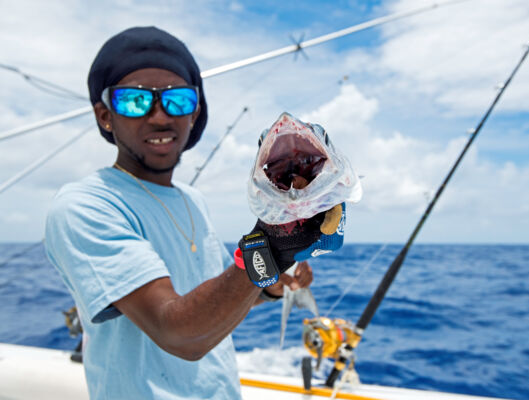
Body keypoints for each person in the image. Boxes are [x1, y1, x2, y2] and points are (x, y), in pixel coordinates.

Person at [45, 26, 344, 400]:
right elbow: (180, 335)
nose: (158, 117)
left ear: (195, 112)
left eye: (178, 101)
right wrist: (267, 249)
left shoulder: (192, 200)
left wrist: (269, 286)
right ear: (106, 116)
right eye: (134, 101)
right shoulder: (85, 205)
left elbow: (217, 304)